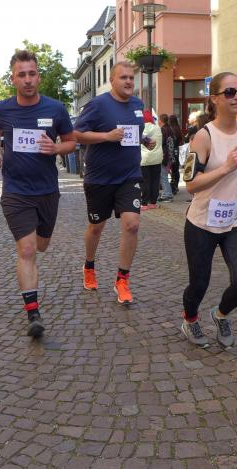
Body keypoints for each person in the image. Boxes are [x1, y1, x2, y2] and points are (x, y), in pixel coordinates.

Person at [0, 49, 76, 337]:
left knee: (41, 245)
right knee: (26, 250)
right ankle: (33, 313)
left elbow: (71, 142)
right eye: (21, 75)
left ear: (39, 77)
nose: (27, 79)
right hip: (16, 191)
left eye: (32, 74)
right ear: (12, 79)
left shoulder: (56, 109)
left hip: (47, 190)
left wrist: (56, 148)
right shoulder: (2, 109)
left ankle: (32, 301)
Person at [181, 72, 237, 349]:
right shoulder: (202, 137)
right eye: (229, 92)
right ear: (215, 99)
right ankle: (190, 320)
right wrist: (226, 168)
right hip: (202, 223)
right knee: (199, 284)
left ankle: (220, 315)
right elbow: (190, 184)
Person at [73, 61, 152, 304]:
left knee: (132, 225)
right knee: (96, 227)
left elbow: (133, 132)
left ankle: (122, 280)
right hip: (100, 178)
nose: (128, 81)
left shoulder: (137, 105)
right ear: (112, 80)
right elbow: (76, 134)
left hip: (129, 176)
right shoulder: (97, 105)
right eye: (123, 77)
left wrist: (144, 140)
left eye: (131, 77)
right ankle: (89, 266)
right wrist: (106, 136)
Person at [140, 110, 163, 210]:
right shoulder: (157, 127)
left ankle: (144, 203)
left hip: (144, 159)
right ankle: (153, 202)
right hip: (157, 158)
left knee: (145, 181)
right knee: (155, 180)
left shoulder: (141, 128)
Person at [158, 114, 174, 203]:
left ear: (161, 120)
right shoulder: (170, 129)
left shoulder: (163, 129)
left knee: (163, 176)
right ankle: (168, 194)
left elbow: (161, 142)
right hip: (169, 155)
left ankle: (167, 195)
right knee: (164, 175)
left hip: (164, 155)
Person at [167, 115, 183, 193]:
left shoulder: (171, 129)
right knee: (175, 168)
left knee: (171, 168)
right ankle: (175, 185)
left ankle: (173, 186)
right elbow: (180, 140)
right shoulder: (178, 128)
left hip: (171, 150)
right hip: (176, 149)